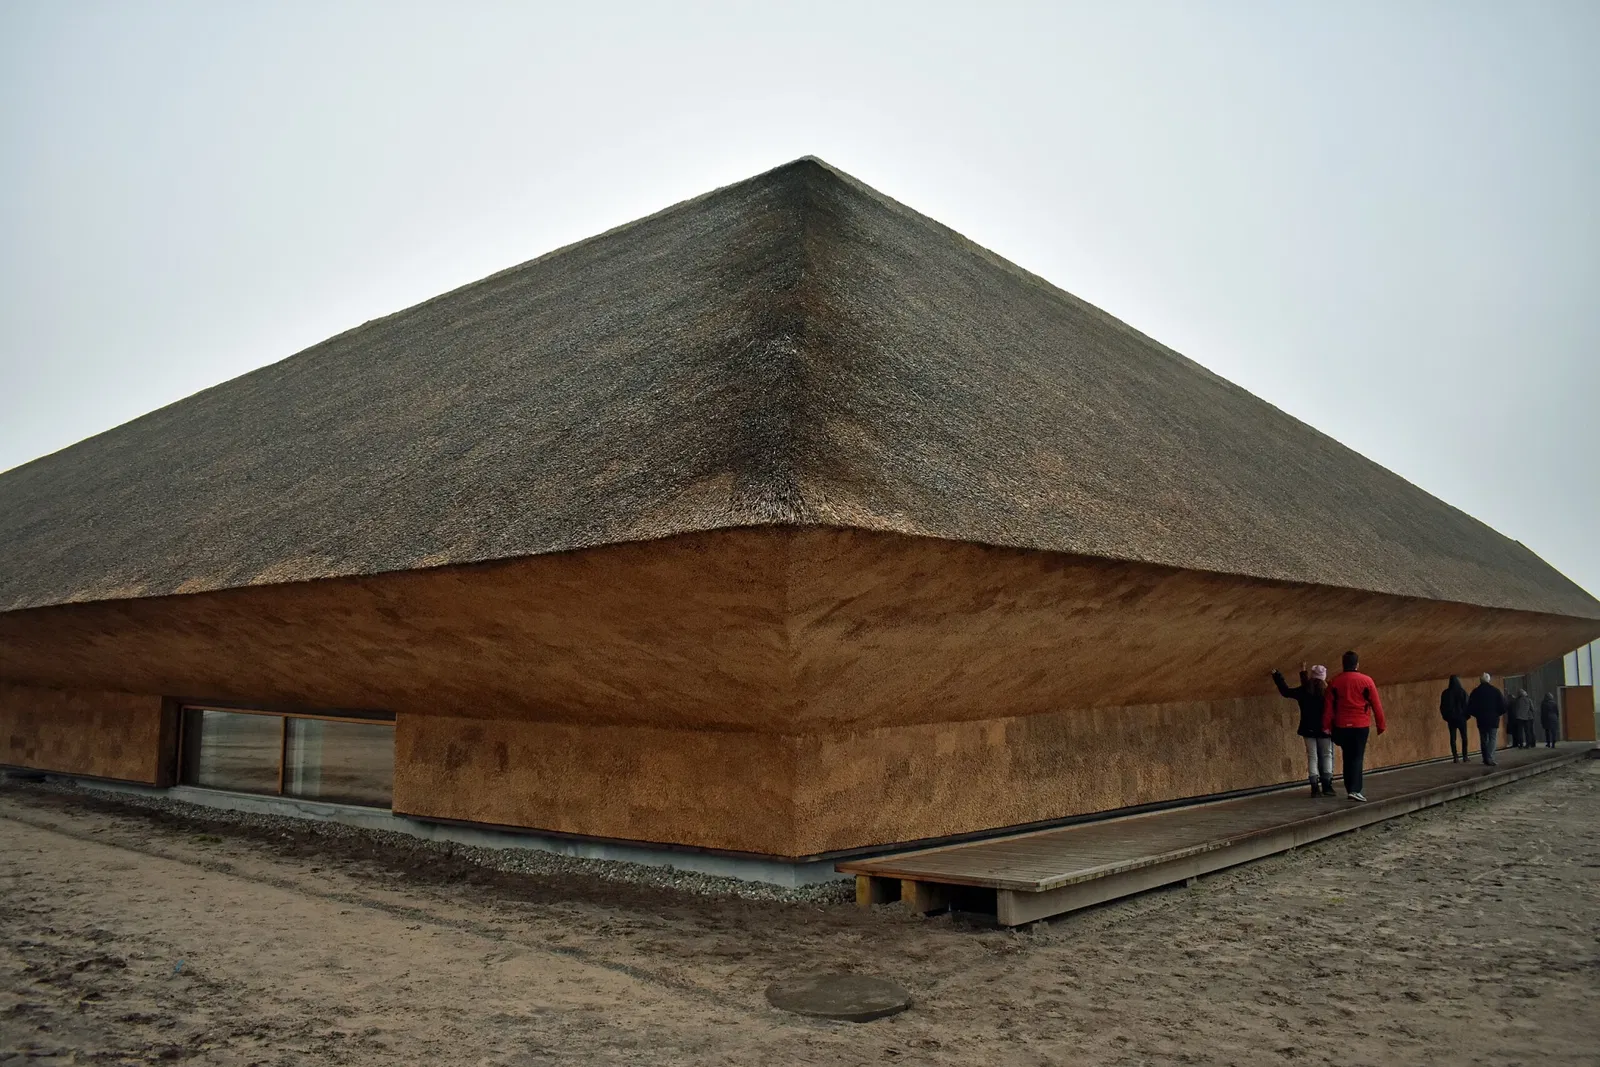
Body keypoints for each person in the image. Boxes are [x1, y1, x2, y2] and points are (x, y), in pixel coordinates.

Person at [1323, 651, 1386, 802]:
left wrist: (1326, 726)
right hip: (1360, 725)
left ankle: (1349, 787)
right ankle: (1355, 789)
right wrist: (1380, 725)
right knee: (1357, 757)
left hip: (1342, 725)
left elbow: (1328, 707)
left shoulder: (1334, 682)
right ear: (1357, 664)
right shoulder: (1367, 681)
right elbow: (1376, 704)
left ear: (1343, 664)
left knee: (1347, 756)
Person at [1273, 663, 1335, 796]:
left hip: (1308, 729)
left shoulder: (1304, 691)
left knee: (1312, 756)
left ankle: (1314, 788)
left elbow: (1286, 691)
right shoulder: (1328, 692)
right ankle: (1327, 786)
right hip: (1325, 729)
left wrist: (1277, 675)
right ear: (1324, 677)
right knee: (1327, 755)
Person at [1466, 673, 1507, 766]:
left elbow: (1470, 707)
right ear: (1489, 680)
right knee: (1492, 738)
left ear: (1480, 680)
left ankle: (1485, 758)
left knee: (1484, 739)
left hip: (1481, 719)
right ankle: (1490, 758)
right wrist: (1497, 714)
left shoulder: (1475, 692)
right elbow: (1503, 706)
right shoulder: (1495, 691)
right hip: (1493, 719)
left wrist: (1477, 715)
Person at [1439, 675, 1470, 762]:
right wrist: (1466, 716)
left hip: (1451, 719)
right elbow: (1467, 705)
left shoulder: (1446, 693)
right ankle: (1465, 756)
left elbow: (1442, 707)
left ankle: (1455, 756)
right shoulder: (1462, 692)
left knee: (1453, 738)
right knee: (1464, 737)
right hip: (1462, 718)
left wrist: (1446, 717)